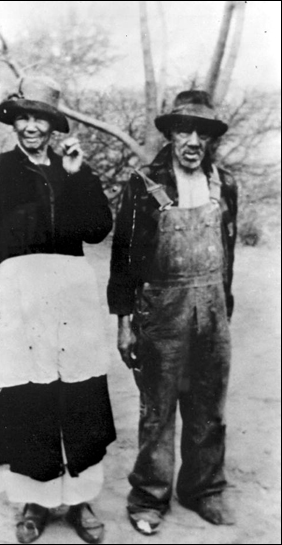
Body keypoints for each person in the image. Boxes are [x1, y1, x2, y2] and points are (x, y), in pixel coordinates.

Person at [0, 75, 116, 545]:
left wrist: (77, 178)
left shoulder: (74, 170)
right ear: (14, 122)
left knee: (79, 390)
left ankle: (78, 498)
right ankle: (34, 501)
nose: (31, 127)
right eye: (23, 117)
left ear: (53, 126)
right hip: (21, 293)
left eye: (40, 119)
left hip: (72, 292)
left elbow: (97, 231)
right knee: (30, 394)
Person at [107, 90, 238, 535]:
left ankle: (203, 489)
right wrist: (125, 324)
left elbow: (229, 250)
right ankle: (149, 495)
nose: (193, 141)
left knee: (208, 407)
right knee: (157, 409)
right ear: (171, 134)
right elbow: (121, 259)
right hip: (162, 312)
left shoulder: (226, 184)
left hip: (213, 310)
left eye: (203, 132)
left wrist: (224, 306)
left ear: (211, 140)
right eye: (185, 129)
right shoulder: (144, 183)